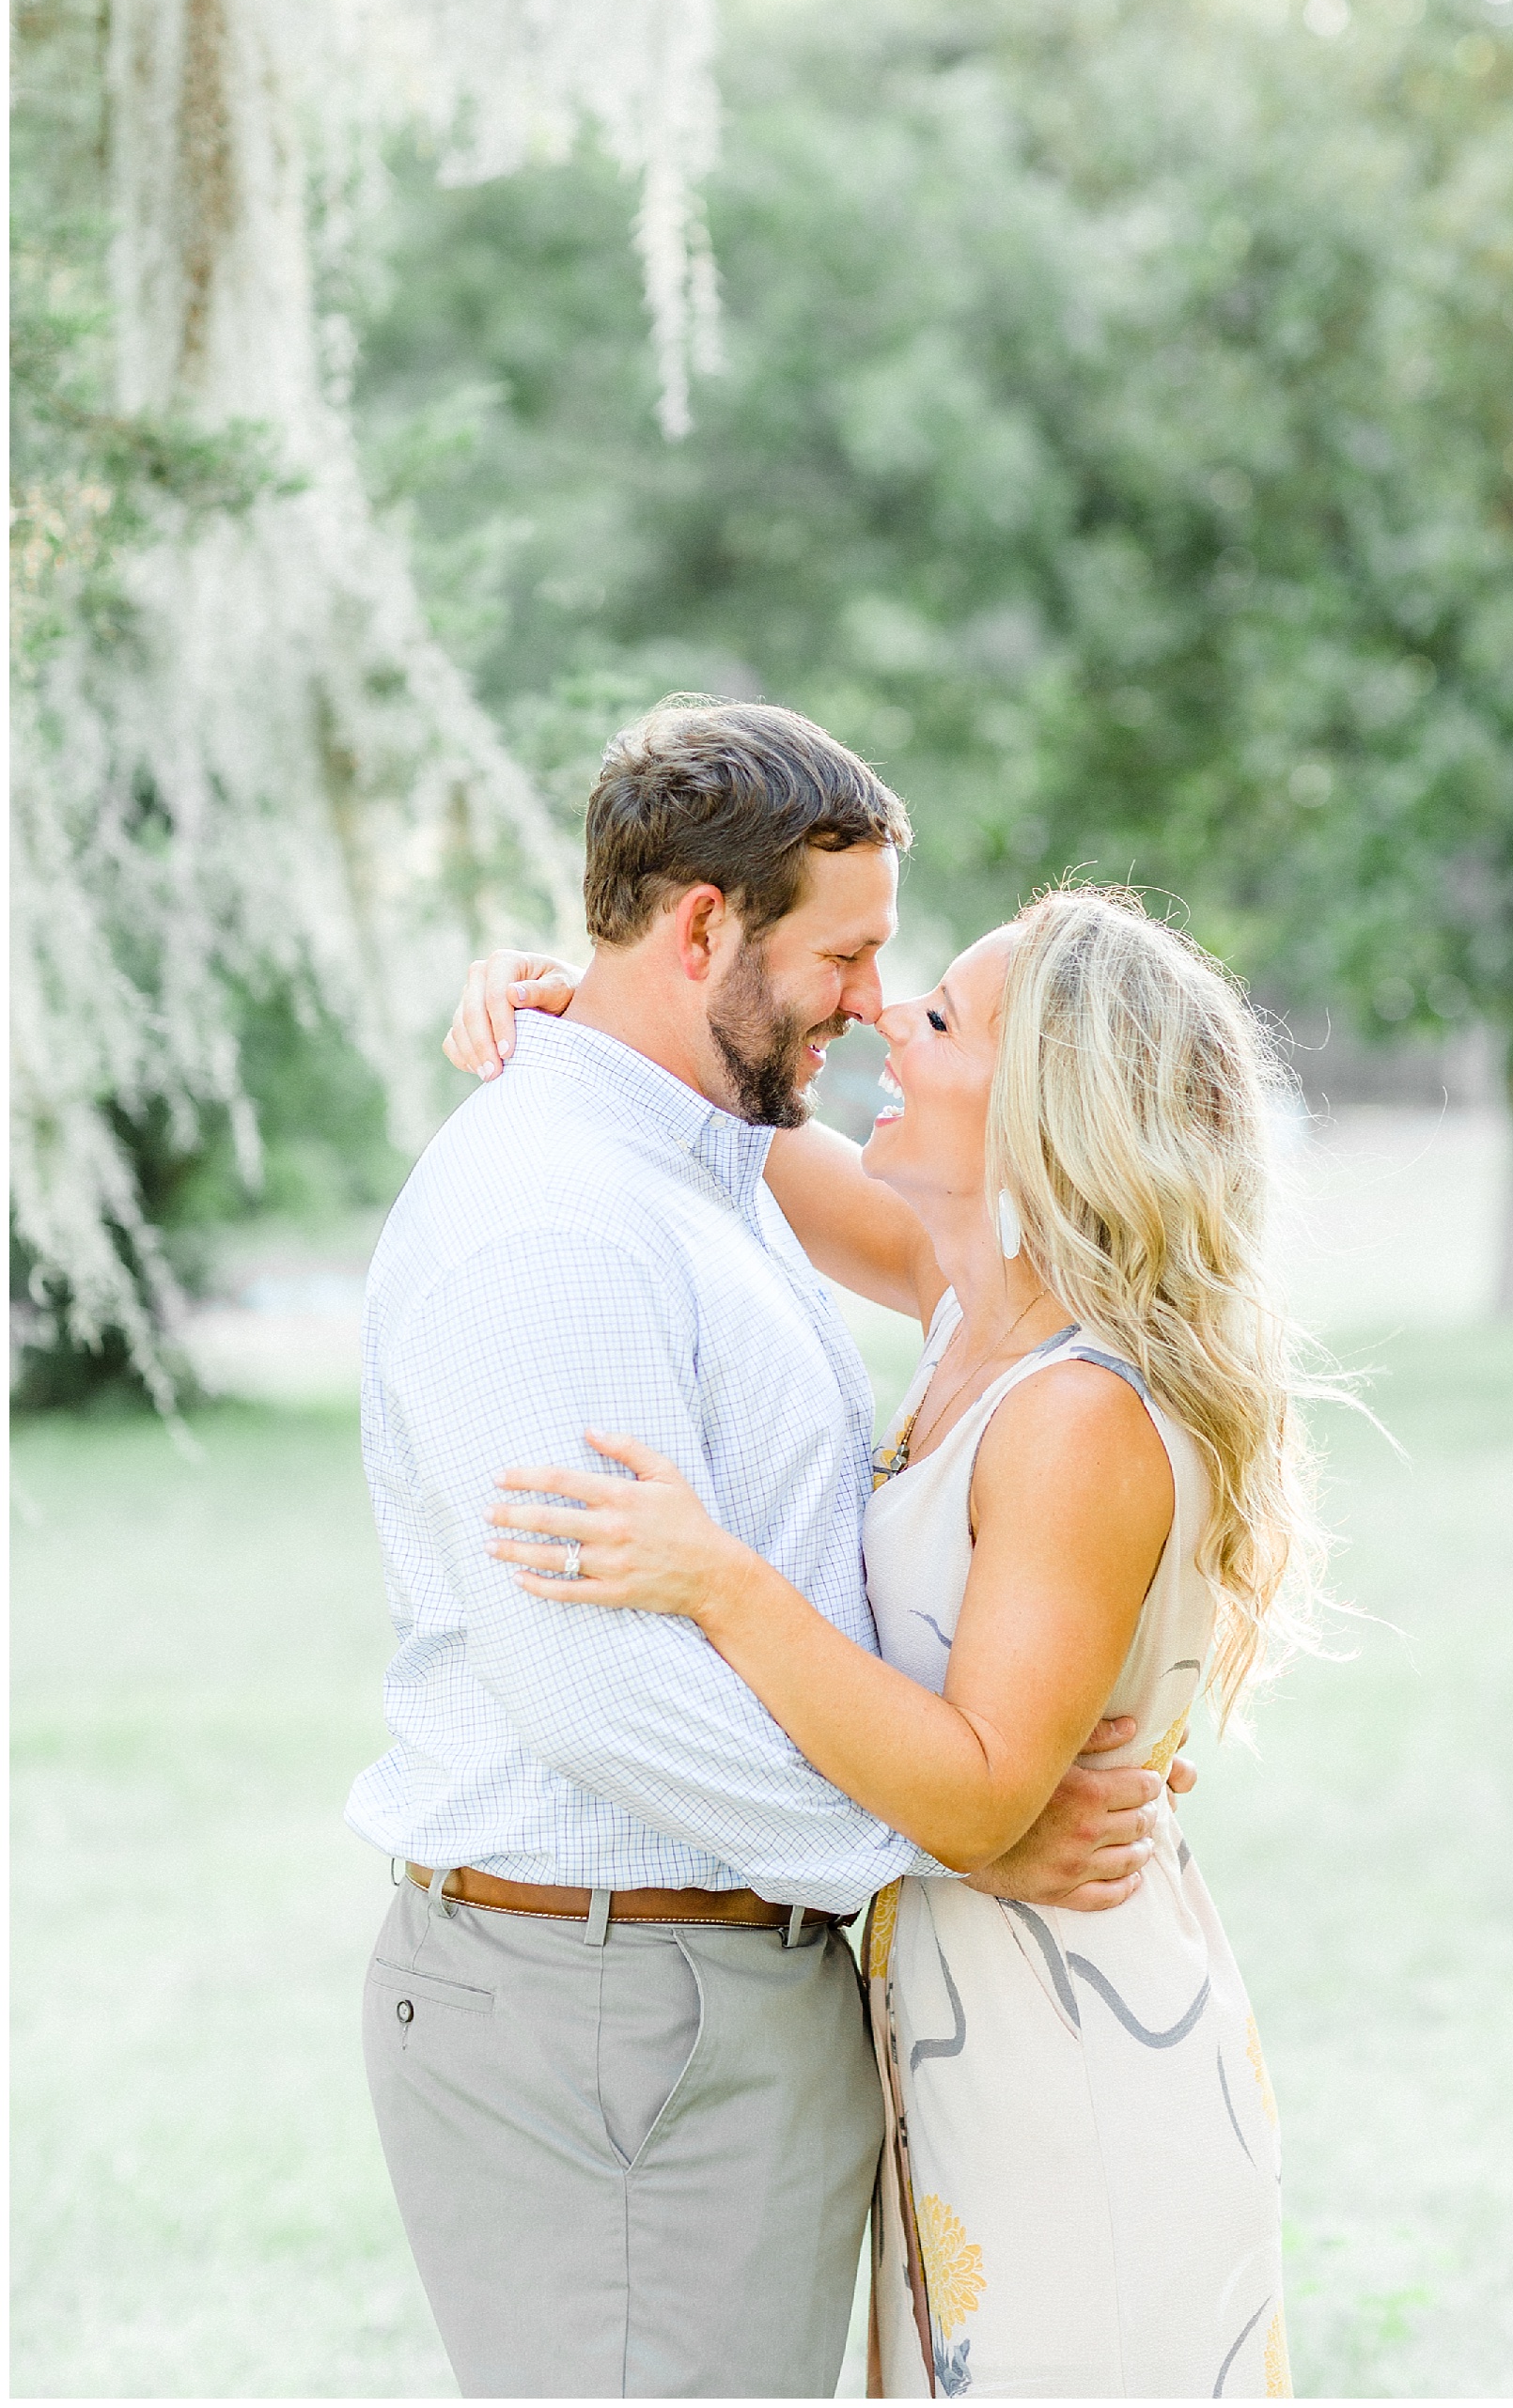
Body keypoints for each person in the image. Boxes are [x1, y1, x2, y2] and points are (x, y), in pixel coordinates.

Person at [350, 696, 1181, 2401]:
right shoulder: (553, 1220)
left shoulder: (724, 1171)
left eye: (914, 988)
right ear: (705, 929)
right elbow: (599, 1696)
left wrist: (587, 1013)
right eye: (855, 959)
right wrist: (936, 1847)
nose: (876, 1004)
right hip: (617, 2011)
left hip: (766, 1996)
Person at [467, 881, 1315, 2399]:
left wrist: (718, 1580)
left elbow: (984, 1796)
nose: (883, 1023)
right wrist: (573, 1013)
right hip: (961, 2053)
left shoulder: (1076, 1414)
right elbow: (707, 1099)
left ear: (1044, 1100)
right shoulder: (967, 1305)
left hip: (1076, 2070)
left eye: (937, 1017)